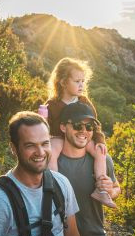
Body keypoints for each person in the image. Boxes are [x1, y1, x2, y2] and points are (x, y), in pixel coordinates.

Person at [57, 102, 121, 236]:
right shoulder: (51, 161)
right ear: (62, 127)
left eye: (89, 127)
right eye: (77, 125)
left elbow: (117, 189)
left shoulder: (102, 160)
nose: (84, 131)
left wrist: (111, 189)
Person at [43, 57, 116, 208]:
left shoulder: (84, 102)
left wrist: (100, 141)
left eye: (83, 81)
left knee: (99, 152)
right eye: (77, 81)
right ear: (63, 82)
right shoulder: (52, 104)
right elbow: (44, 126)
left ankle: (101, 189)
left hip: (81, 138)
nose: (81, 85)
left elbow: (95, 125)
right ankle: (55, 186)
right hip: (59, 137)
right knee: (53, 150)